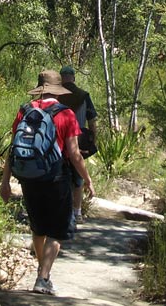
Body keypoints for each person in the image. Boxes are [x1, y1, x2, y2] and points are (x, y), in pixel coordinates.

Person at [0, 69, 95, 296]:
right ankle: (43, 277)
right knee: (56, 230)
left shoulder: (25, 110)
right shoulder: (65, 114)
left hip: (28, 178)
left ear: (40, 89)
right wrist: (87, 179)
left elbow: (12, 149)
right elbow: (74, 154)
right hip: (55, 177)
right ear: (58, 91)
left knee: (38, 227)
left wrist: (4, 183)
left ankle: (41, 272)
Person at [58, 65, 98, 224]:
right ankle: (77, 212)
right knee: (78, 176)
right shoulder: (83, 95)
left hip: (58, 139)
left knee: (60, 175)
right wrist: (92, 138)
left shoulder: (56, 95)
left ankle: (63, 211)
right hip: (78, 139)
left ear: (62, 78)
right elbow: (92, 119)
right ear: (73, 78)